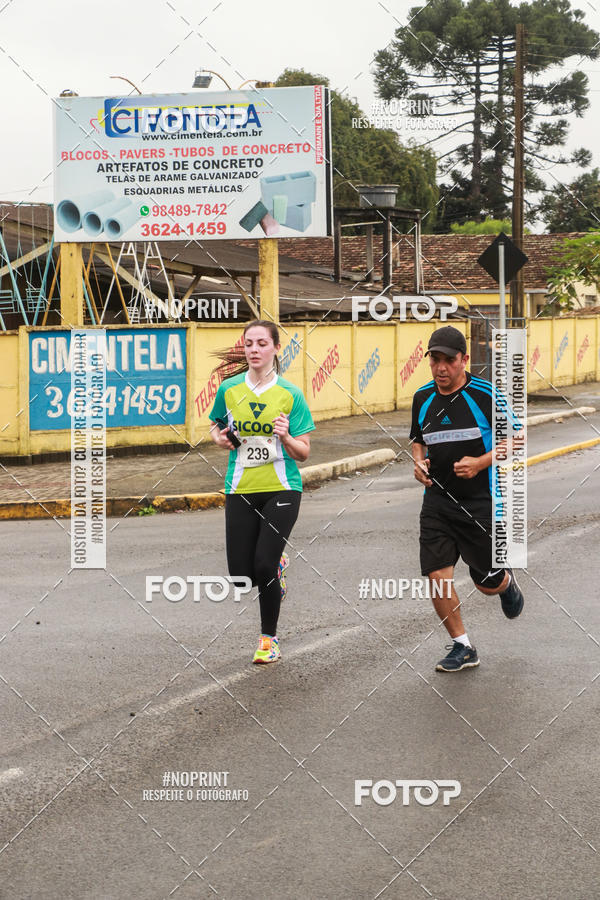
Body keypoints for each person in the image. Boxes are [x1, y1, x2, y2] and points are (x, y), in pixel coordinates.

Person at [410, 325, 524, 672]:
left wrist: (480, 462)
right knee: (436, 574)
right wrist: (418, 463)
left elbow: (517, 439)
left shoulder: (486, 395)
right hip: (438, 502)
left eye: (449, 360)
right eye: (435, 361)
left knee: (485, 583)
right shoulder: (422, 397)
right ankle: (463, 646)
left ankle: (504, 583)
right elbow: (418, 440)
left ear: (465, 360)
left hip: (481, 502)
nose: (441, 368)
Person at [208, 319, 315, 664]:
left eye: (261, 344)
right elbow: (215, 426)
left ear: (275, 349)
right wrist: (220, 438)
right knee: (241, 577)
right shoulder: (229, 389)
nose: (254, 350)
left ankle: (268, 639)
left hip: (282, 487)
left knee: (263, 563)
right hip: (240, 486)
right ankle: (276, 566)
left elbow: (303, 452)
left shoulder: (290, 394)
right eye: (249, 344)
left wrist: (285, 437)